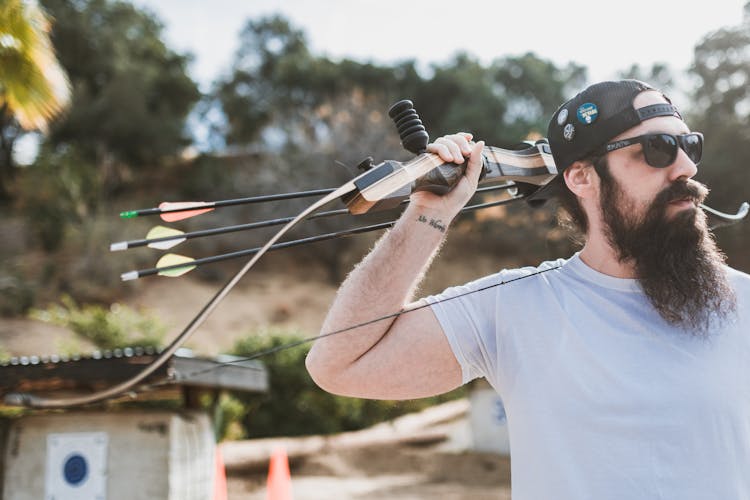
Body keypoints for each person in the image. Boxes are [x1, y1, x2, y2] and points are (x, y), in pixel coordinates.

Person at [305, 80, 750, 499]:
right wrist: (428, 212)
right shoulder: (515, 306)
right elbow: (339, 365)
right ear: (580, 178)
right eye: (658, 148)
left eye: (690, 145)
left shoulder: (744, 302)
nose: (687, 166)